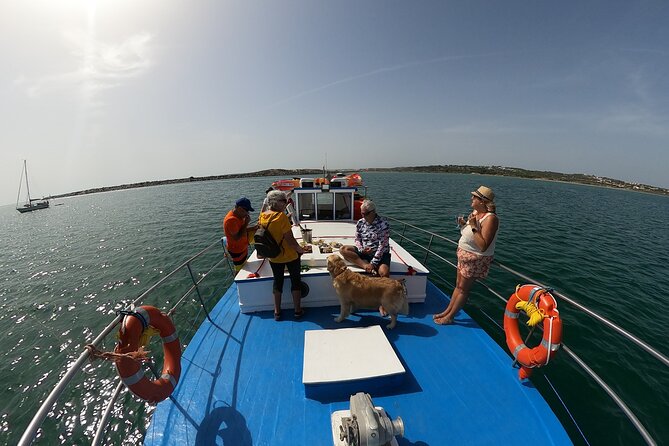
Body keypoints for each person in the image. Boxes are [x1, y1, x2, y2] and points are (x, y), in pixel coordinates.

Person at [433, 186, 499, 325]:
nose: (471, 198)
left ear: (482, 201)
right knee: (458, 286)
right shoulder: (476, 212)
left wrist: (474, 225)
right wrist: (464, 224)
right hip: (464, 255)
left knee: (463, 289)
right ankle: (448, 311)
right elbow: (471, 233)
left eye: (474, 197)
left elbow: (483, 245)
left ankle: (450, 317)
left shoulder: (491, 219)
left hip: (475, 258)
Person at [259, 190, 306, 321]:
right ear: (276, 202)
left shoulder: (263, 216)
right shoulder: (281, 217)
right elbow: (290, 241)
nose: (286, 203)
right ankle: (297, 311)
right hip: (289, 255)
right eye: (284, 201)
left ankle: (277, 312)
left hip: (274, 256)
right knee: (295, 281)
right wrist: (300, 250)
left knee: (277, 282)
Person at [340, 199, 391, 277]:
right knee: (343, 249)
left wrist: (373, 263)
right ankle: (365, 266)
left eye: (366, 214)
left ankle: (370, 266)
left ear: (373, 212)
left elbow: (382, 246)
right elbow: (357, 239)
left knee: (384, 273)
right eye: (362, 213)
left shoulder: (383, 224)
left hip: (380, 255)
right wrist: (361, 249)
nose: (363, 216)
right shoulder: (360, 222)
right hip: (364, 251)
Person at [223, 197, 258, 272]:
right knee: (239, 270)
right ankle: (238, 283)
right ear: (239, 209)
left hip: (243, 246)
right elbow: (237, 237)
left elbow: (240, 229)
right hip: (237, 250)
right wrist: (246, 223)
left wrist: (253, 228)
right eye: (246, 211)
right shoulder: (231, 220)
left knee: (244, 265)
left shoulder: (238, 216)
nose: (247, 213)